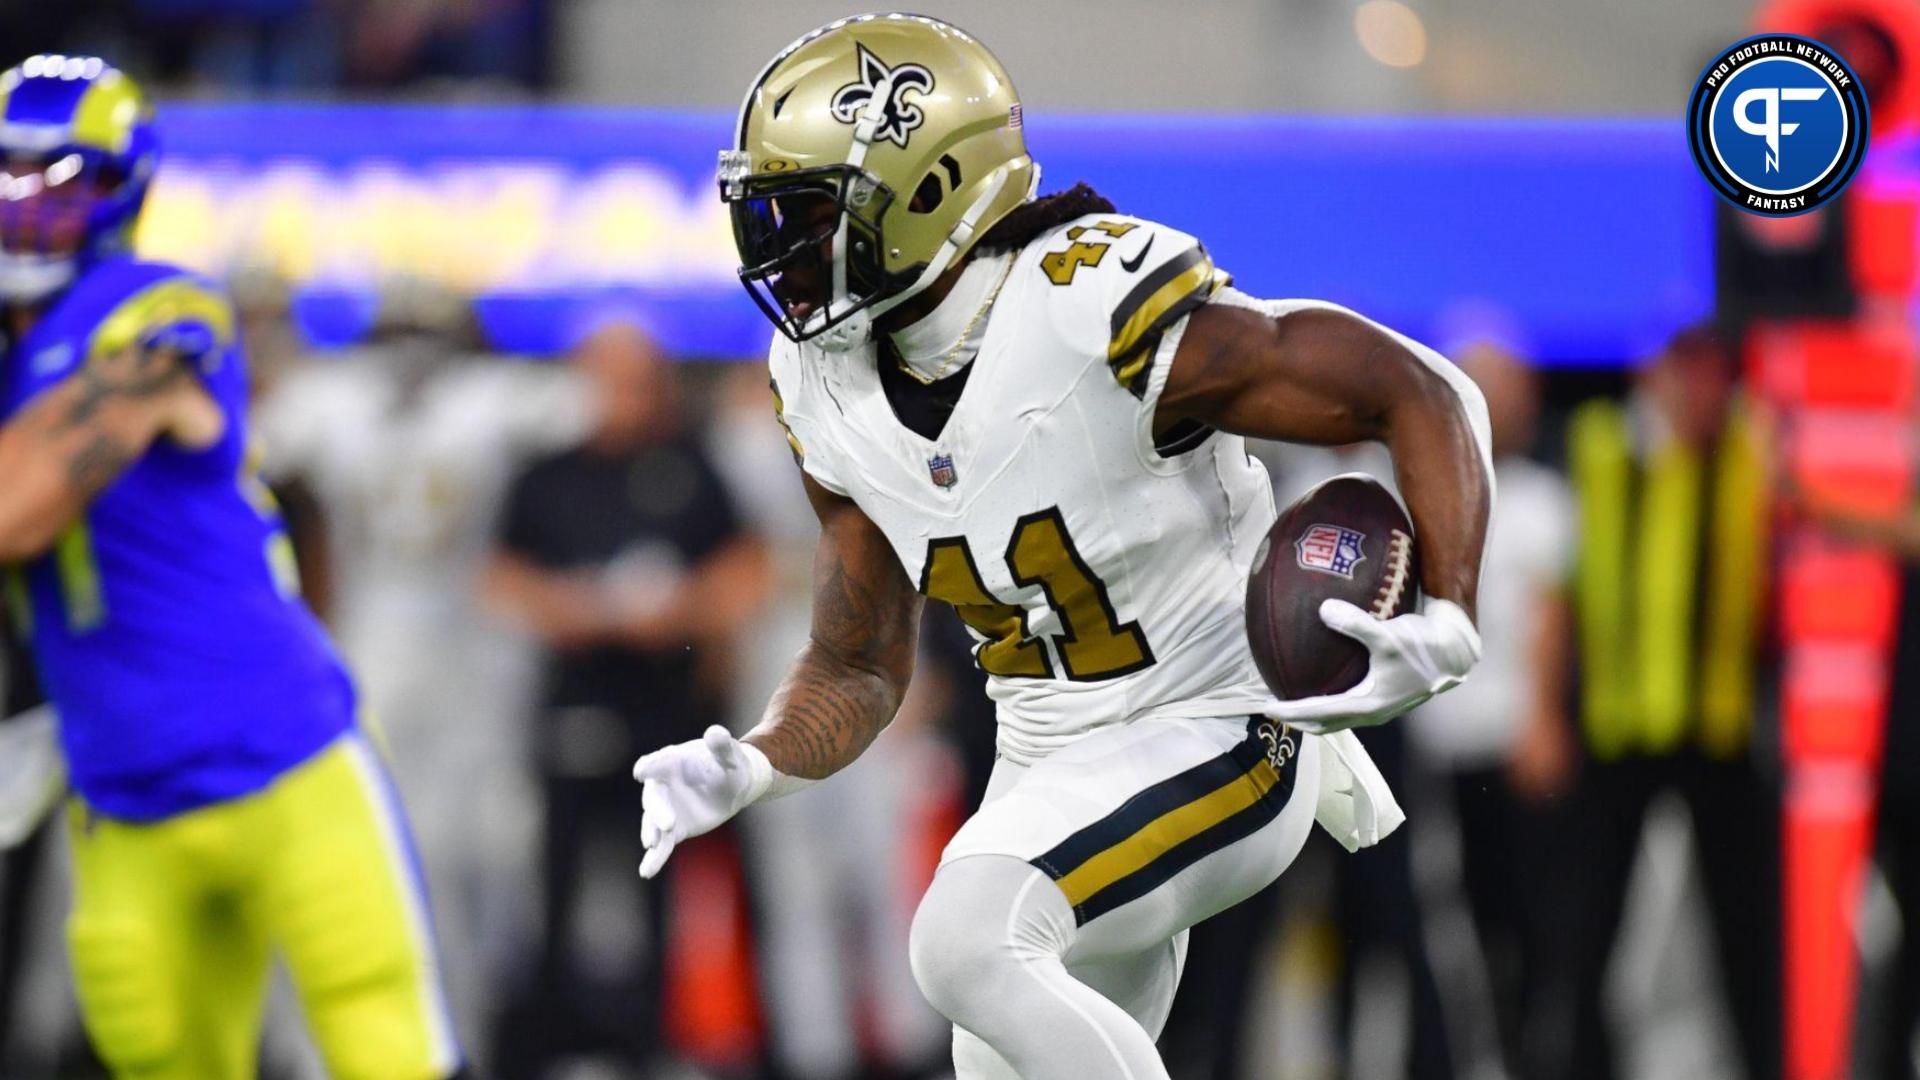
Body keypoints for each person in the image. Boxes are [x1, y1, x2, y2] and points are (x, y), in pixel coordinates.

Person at [631, 15, 1493, 1080]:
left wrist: (1450, 607)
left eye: (807, 214)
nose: (778, 252)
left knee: (964, 939)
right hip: (1047, 762)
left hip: (1222, 722)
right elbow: (858, 662)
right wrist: (754, 762)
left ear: (930, 191)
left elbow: (1418, 389)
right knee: (992, 1049)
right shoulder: (821, 382)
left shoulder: (1086, 303)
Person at [0, 56, 463, 1080]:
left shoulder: (157, 308)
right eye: (4, 180)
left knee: (388, 1051)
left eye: (53, 181)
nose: (23, 211)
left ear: (117, 191)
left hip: (281, 752)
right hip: (121, 791)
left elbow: (20, 510)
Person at [482, 313, 767, 1077]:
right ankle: (559, 1041)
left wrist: (684, 610)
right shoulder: (551, 473)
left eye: (637, 379)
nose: (625, 396)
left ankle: (657, 1042)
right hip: (576, 701)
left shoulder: (688, 464)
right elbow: (500, 576)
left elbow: (747, 568)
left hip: (667, 710)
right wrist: (568, 607)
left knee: (669, 884)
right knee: (559, 875)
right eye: (611, 378)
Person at [1561, 324, 1777, 1080]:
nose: (1705, 391)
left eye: (1720, 375)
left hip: (1717, 725)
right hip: (1619, 724)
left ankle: (1768, 1063)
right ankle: (1580, 1066)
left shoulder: (1751, 455)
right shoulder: (1607, 449)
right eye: (1691, 372)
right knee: (1591, 925)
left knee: (1747, 930)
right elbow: (1564, 582)